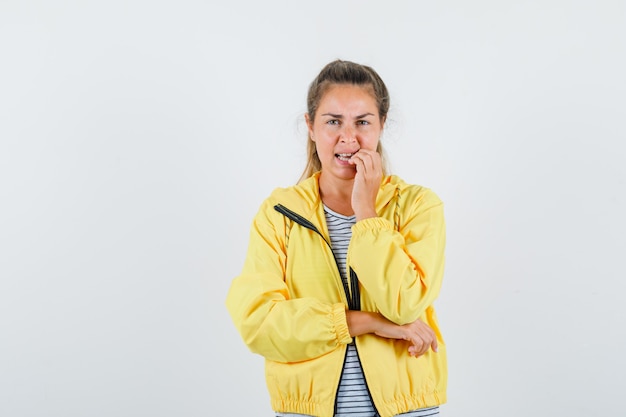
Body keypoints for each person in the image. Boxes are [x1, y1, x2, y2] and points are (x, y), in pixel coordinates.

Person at [226, 59, 447, 417]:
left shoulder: (417, 206)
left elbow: (406, 304)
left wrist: (367, 213)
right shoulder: (279, 213)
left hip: (407, 410)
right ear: (311, 127)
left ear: (381, 126)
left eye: (363, 122)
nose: (348, 138)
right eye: (333, 122)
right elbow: (259, 323)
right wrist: (370, 322)